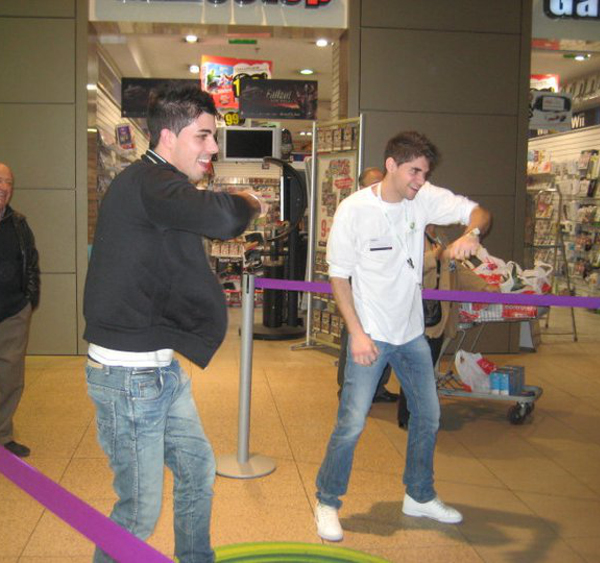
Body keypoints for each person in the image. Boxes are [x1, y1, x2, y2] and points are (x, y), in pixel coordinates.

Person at [83, 84, 263, 563]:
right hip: (129, 378)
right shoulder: (152, 181)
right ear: (168, 136)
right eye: (203, 136)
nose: (213, 147)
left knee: (197, 472)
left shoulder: (156, 185)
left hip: (158, 369)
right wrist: (249, 200)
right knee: (137, 513)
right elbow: (223, 218)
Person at [314, 131, 491, 541]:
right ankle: (327, 500)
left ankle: (419, 495)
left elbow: (480, 213)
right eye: (414, 171)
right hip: (370, 335)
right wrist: (357, 334)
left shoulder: (423, 197)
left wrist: (472, 234)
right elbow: (339, 277)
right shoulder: (354, 210)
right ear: (391, 165)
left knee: (428, 416)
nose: (420, 180)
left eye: (425, 173)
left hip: (412, 335)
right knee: (351, 423)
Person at [397, 226, 500, 427]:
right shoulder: (411, 234)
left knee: (425, 368)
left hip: (440, 316)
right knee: (418, 369)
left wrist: (483, 287)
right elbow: (402, 268)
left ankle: (417, 414)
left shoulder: (440, 236)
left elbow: (456, 269)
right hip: (422, 316)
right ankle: (409, 417)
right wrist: (433, 257)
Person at [337, 167, 398, 403]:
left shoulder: (393, 211)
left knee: (385, 337)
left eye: (381, 183)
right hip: (358, 288)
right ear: (361, 187)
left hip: (386, 288)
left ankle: (378, 387)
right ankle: (348, 390)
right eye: (373, 184)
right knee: (355, 337)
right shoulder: (352, 212)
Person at [0, 162, 40, 458]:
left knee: (10, 377)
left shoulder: (19, 224)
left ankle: (3, 435)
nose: (4, 188)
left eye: (8, 183)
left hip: (13, 312)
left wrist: (29, 300)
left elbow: (32, 262)